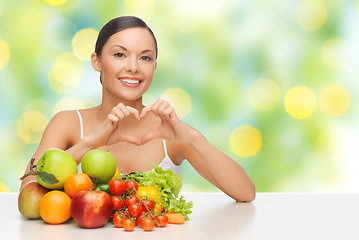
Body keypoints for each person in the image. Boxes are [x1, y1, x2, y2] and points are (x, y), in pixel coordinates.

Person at [20, 16, 255, 202]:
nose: (133, 67)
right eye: (120, 55)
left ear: (154, 66)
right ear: (97, 61)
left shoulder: (171, 133)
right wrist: (90, 143)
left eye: (145, 58)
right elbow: (29, 191)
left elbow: (246, 193)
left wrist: (192, 138)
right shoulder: (68, 124)